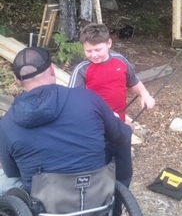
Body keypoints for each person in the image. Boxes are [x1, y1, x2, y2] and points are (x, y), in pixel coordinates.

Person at [0, 46, 132, 196]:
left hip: (43, 206)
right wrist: (128, 128)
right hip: (94, 194)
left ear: (17, 80)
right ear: (52, 69)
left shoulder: (6, 123)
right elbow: (121, 136)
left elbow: (12, 171)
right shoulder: (89, 99)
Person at [68, 22, 155, 121]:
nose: (94, 55)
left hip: (119, 119)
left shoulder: (120, 60)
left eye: (98, 50)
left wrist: (145, 94)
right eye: (89, 51)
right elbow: (72, 101)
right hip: (94, 122)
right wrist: (104, 114)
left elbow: (134, 82)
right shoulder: (81, 69)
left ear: (109, 43)